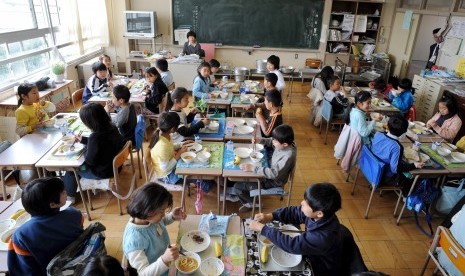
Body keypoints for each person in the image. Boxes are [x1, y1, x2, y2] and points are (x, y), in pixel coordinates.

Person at [247, 182, 342, 275]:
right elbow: (295, 212)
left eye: (306, 203)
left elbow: (292, 245)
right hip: (312, 251)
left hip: (320, 265)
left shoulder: (323, 237)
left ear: (319, 213)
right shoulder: (318, 215)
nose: (302, 203)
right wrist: (271, 216)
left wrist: (263, 229)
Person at [7, 177, 84, 275]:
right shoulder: (75, 214)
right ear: (52, 204)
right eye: (62, 192)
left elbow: (25, 270)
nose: (65, 191)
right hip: (77, 264)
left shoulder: (20, 235)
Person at [63, 103, 125, 204]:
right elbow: (103, 143)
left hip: (102, 171)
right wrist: (83, 140)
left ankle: (70, 197)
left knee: (71, 170)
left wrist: (80, 156)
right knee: (77, 165)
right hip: (115, 166)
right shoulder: (111, 127)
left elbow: (90, 162)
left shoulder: (95, 137)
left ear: (89, 122)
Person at [122, 182, 186, 276]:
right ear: (148, 211)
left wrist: (172, 216)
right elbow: (143, 273)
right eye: (162, 211)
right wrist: (164, 259)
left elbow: (161, 222)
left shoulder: (148, 218)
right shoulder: (134, 240)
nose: (163, 214)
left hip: (165, 264)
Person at [234, 124, 296, 212]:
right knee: (239, 176)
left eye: (275, 141)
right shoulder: (285, 143)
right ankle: (245, 196)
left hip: (272, 182)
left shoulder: (288, 155)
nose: (273, 141)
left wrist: (254, 168)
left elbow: (274, 173)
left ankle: (252, 204)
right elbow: (271, 141)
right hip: (268, 170)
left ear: (285, 144)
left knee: (237, 187)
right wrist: (261, 140)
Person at [371, 115, 424, 195]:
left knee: (403, 163)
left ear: (387, 126)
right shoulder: (397, 147)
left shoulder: (378, 134)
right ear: (403, 133)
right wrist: (414, 165)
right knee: (411, 177)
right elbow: (394, 169)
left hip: (372, 168)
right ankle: (405, 196)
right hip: (384, 176)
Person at [149, 112, 188, 184]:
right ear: (173, 129)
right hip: (166, 175)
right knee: (189, 175)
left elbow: (170, 145)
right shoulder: (162, 145)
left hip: (170, 165)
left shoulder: (165, 133)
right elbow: (165, 168)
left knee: (188, 166)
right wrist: (178, 154)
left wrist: (182, 144)